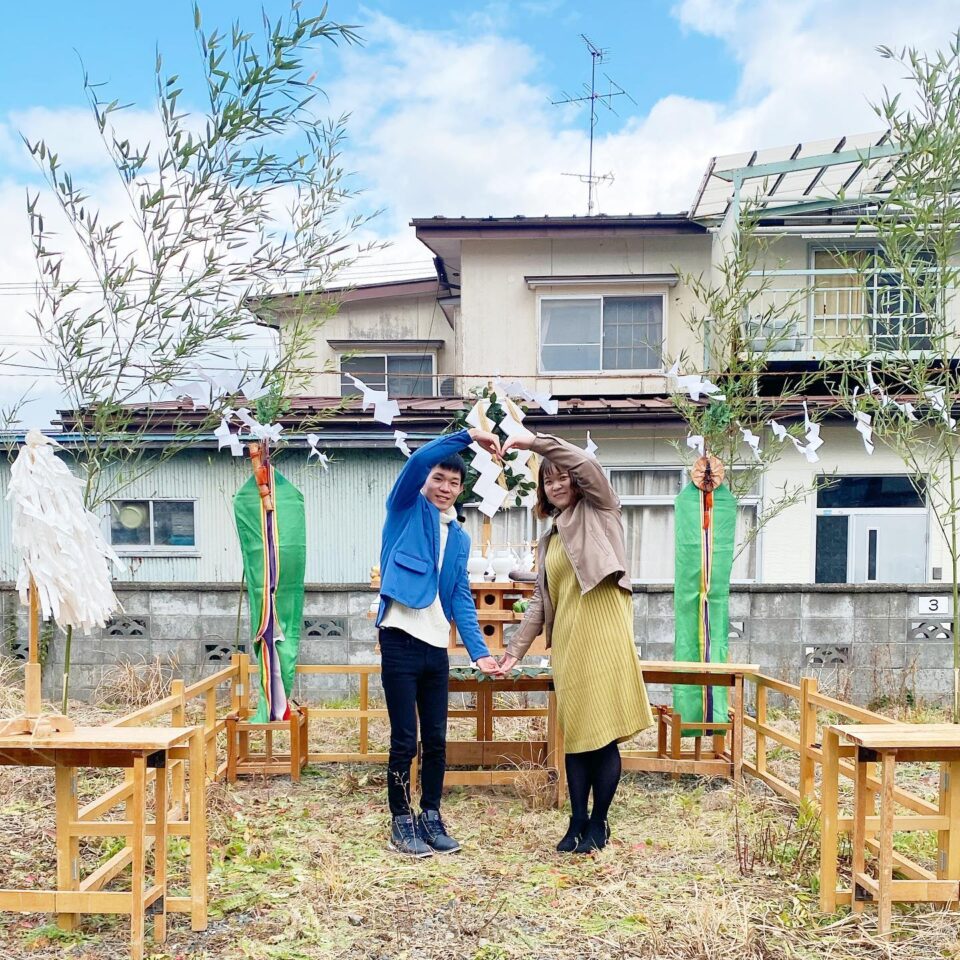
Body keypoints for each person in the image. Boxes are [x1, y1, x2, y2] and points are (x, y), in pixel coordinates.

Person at [497, 429, 653, 853]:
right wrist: (513, 653)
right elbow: (539, 603)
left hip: (604, 630)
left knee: (602, 734)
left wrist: (533, 442)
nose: (557, 483)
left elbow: (584, 463)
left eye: (563, 476)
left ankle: (599, 823)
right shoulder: (549, 538)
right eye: (549, 480)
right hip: (567, 641)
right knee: (577, 731)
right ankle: (576, 821)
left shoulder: (602, 508)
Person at [377, 426, 502, 857]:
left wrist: (481, 653)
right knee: (403, 741)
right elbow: (415, 462)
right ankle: (400, 819)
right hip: (399, 639)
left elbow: (460, 598)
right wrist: (470, 435)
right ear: (426, 481)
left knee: (437, 740)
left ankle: (430, 815)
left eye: (454, 482)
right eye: (439, 479)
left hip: (435, 646)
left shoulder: (461, 538)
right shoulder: (404, 510)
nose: (445, 488)